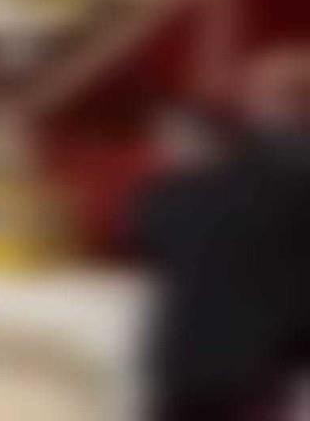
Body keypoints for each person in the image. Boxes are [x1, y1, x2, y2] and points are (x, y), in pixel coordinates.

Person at [131, 48, 310, 420]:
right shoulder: (273, 171)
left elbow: (150, 233)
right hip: (261, 370)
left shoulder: (201, 179)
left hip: (187, 362)